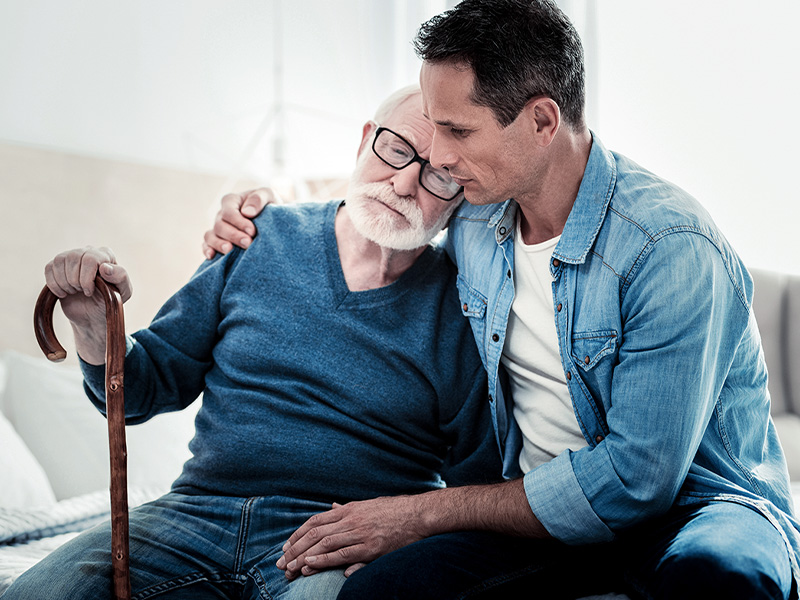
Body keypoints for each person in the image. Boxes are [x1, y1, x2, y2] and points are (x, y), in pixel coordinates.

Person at [204, 1, 800, 598]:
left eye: (458, 131)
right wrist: (256, 214)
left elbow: (635, 484)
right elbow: (381, 208)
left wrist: (415, 515)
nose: (437, 154)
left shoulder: (669, 248)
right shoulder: (477, 215)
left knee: (721, 580)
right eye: (436, 126)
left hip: (692, 507)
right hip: (537, 521)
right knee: (378, 592)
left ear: (543, 121)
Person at [3, 85, 504, 600]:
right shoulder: (257, 236)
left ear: (460, 190)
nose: (404, 183)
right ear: (364, 141)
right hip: (196, 514)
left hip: (333, 538)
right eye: (396, 150)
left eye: (439, 174)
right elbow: (140, 392)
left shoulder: (465, 308)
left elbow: (477, 488)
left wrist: (412, 539)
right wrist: (92, 326)